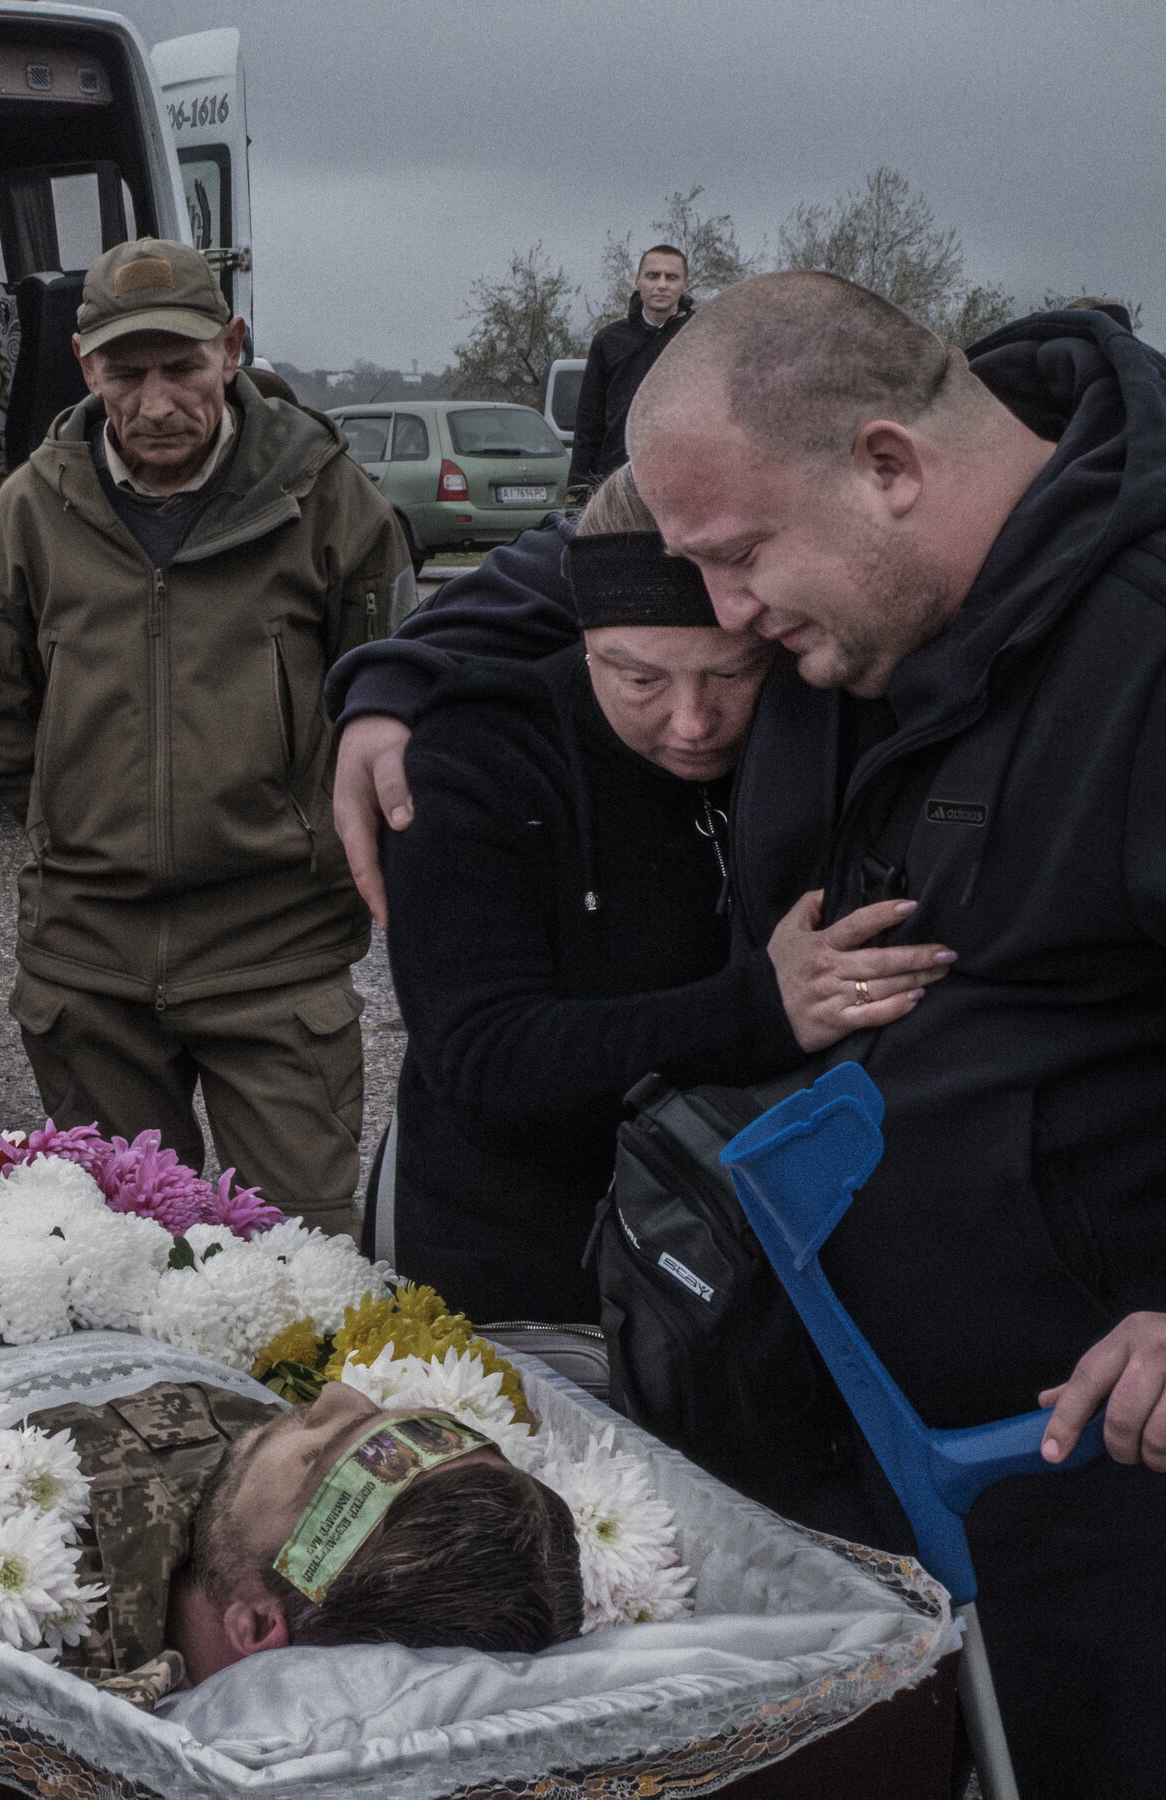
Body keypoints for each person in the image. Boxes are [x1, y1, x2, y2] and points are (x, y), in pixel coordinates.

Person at [328, 281, 1166, 1798]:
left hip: (1096, 1463)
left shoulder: (1140, 643)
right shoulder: (868, 550)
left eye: (736, 568)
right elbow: (588, 562)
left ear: (892, 467)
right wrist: (391, 682)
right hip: (893, 1433)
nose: (719, 626)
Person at [377, 468, 952, 1326]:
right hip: (528, 1278)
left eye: (731, 675)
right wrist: (761, 1007)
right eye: (638, 678)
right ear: (583, 639)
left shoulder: (827, 724)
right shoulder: (478, 754)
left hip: (770, 1275)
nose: (692, 721)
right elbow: (485, 1059)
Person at [0, 238, 414, 1237]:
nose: (157, 404)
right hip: (90, 967)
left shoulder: (329, 501)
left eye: (182, 368)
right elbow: (0, 719)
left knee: (303, 1261)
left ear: (233, 349)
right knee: (118, 1263)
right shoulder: (28, 513)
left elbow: (385, 695)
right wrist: (85, 825)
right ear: (86, 366)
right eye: (127, 374)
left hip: (276, 957)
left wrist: (308, 840)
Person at [30, 1374, 581, 1701]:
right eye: (378, 1412)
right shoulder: (260, 1500)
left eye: (313, 1456)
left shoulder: (34, 1631)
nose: (336, 1391)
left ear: (259, 1625)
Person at [566, 245, 693, 497]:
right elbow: (589, 423)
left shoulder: (701, 335)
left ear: (685, 285)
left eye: (672, 277)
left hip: (685, 480)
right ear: (637, 282)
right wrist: (578, 490)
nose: (662, 284)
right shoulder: (609, 340)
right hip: (618, 478)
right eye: (653, 276)